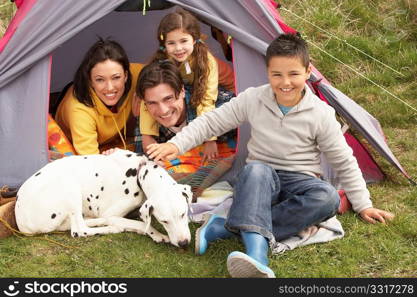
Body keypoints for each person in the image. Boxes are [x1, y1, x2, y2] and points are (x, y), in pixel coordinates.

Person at [146, 33, 395, 278]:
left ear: (308, 72)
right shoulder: (254, 98)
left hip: (299, 181)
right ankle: (258, 255)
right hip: (259, 181)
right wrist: (176, 145)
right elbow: (211, 122)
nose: (285, 82)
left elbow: (344, 161)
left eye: (293, 74)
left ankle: (223, 228)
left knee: (328, 197)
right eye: (277, 74)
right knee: (256, 170)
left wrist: (364, 204)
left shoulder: (321, 114)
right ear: (267, 73)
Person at [138, 8, 235, 162]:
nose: (178, 49)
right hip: (180, 101)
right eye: (171, 43)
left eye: (183, 41)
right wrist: (147, 134)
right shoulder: (161, 61)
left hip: (207, 97)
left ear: (194, 39)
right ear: (164, 44)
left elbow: (207, 98)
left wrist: (210, 139)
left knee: (226, 110)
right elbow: (148, 98)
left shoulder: (206, 61)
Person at [55, 38, 143, 155]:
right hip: (81, 142)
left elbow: (163, 71)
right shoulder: (79, 110)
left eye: (116, 77)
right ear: (90, 80)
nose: (110, 87)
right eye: (100, 79)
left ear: (126, 75)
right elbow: (92, 163)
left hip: (114, 140)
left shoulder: (137, 74)